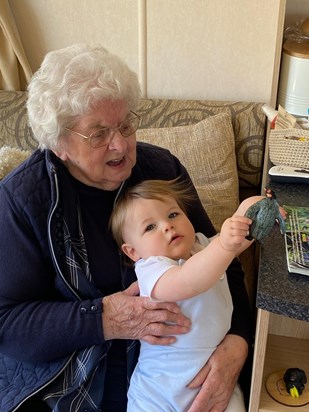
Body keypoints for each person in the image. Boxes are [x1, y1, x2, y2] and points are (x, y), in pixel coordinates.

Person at [0, 43, 252, 412]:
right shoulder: (23, 199)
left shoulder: (160, 170)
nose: (120, 144)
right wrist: (102, 319)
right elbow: (8, 324)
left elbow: (219, 255)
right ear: (60, 144)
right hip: (72, 376)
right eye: (98, 134)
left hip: (177, 367)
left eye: (126, 125)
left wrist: (239, 342)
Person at [110, 178, 255, 411]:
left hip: (215, 373)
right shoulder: (152, 270)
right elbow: (189, 280)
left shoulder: (201, 245)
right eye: (150, 227)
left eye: (173, 215)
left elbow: (237, 241)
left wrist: (250, 209)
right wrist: (225, 246)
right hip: (160, 389)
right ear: (133, 251)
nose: (167, 226)